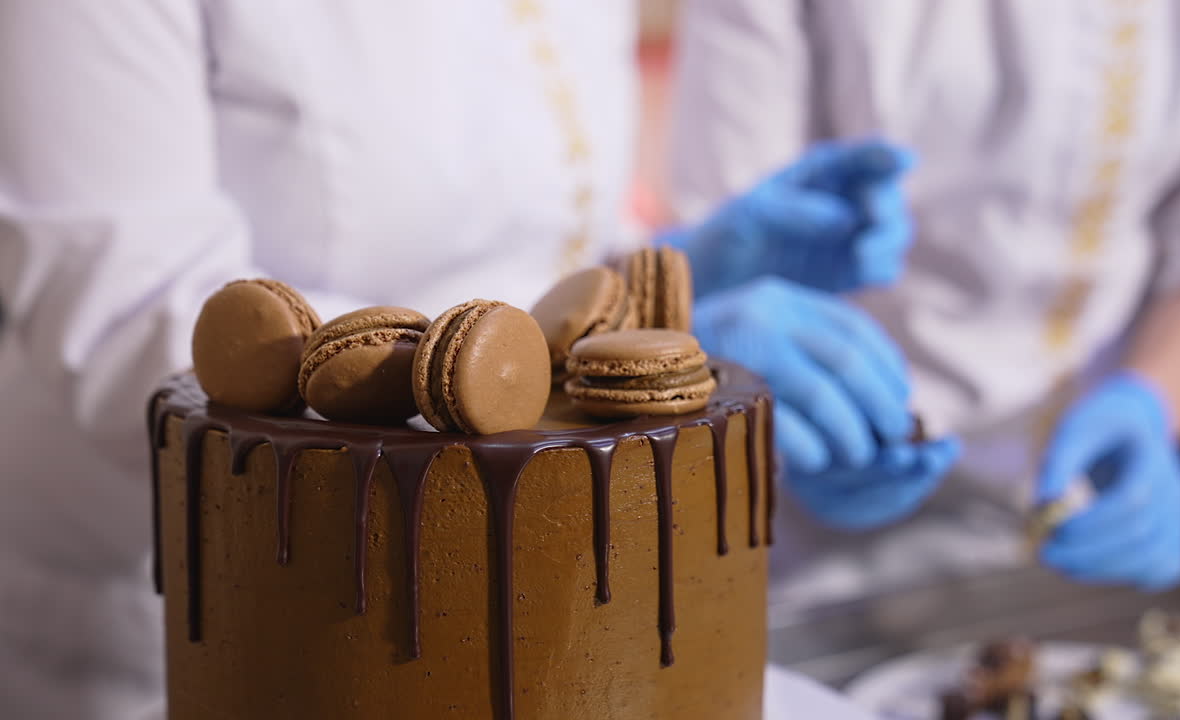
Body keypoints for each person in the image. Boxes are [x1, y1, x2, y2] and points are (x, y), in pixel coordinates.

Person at [0, 2, 911, 717]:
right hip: (227, 611)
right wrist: (557, 370)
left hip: (547, 606)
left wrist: (662, 281)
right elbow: (133, 310)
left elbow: (537, 241)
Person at [671, 0, 1180, 606]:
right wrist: (755, 374)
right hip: (789, 526)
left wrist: (1153, 403)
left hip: (1062, 513)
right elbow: (719, 231)